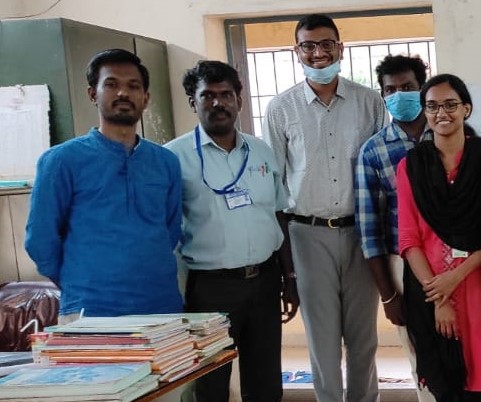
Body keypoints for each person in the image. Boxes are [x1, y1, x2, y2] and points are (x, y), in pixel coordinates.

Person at [263, 14, 387, 402]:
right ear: (296, 51)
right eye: (308, 46)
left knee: (363, 339)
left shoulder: (369, 102)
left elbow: (382, 170)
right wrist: (284, 260)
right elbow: (275, 184)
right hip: (307, 234)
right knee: (322, 340)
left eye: (326, 44)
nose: (318, 53)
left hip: (361, 233)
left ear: (340, 48)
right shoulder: (281, 108)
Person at [164, 60, 295, 402]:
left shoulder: (261, 151)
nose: (218, 103)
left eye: (226, 94)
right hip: (210, 289)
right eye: (207, 95)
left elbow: (278, 214)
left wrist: (290, 277)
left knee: (265, 382)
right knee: (211, 383)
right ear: (193, 102)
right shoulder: (172, 158)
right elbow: (164, 230)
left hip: (265, 281)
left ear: (239, 100)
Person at [24, 48, 183, 323]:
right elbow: (40, 240)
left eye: (133, 86)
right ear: (92, 94)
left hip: (161, 307)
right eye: (111, 84)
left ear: (146, 98)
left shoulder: (166, 162)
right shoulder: (61, 161)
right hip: (90, 311)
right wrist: (80, 281)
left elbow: (170, 230)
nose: (123, 93)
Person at [397, 73, 481, 402]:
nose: (441, 113)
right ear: (424, 112)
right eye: (432, 106)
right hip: (431, 291)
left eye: (450, 104)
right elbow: (408, 239)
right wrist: (440, 298)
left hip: (480, 286)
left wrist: (456, 277)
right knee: (447, 386)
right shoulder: (411, 166)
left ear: (466, 109)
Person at [354, 55, 435, 402]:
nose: (399, 95)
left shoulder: (450, 135)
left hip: (454, 258)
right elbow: (369, 231)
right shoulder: (373, 151)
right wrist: (388, 296)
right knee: (421, 356)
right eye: (391, 90)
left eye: (407, 87)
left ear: (423, 88)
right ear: (382, 95)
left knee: (464, 348)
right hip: (402, 263)